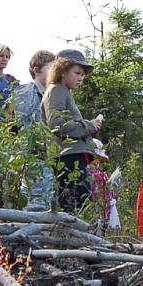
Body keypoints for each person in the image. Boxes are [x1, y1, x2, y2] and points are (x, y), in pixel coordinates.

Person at [41, 49, 103, 212]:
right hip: (67, 156)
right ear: (61, 70)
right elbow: (57, 124)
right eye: (77, 73)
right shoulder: (55, 91)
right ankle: (69, 235)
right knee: (73, 202)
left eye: (83, 74)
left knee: (80, 201)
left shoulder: (63, 92)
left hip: (72, 155)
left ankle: (73, 235)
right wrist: (89, 125)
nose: (81, 78)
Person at [15, 50, 55, 211]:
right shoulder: (26, 92)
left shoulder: (50, 95)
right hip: (32, 159)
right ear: (37, 70)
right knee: (34, 206)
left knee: (46, 203)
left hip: (47, 158)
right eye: (51, 69)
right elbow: (20, 126)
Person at [88, 139, 120, 235]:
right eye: (93, 157)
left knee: (100, 230)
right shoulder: (85, 175)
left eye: (99, 159)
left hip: (102, 208)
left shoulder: (102, 175)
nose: (96, 161)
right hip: (92, 208)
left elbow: (107, 194)